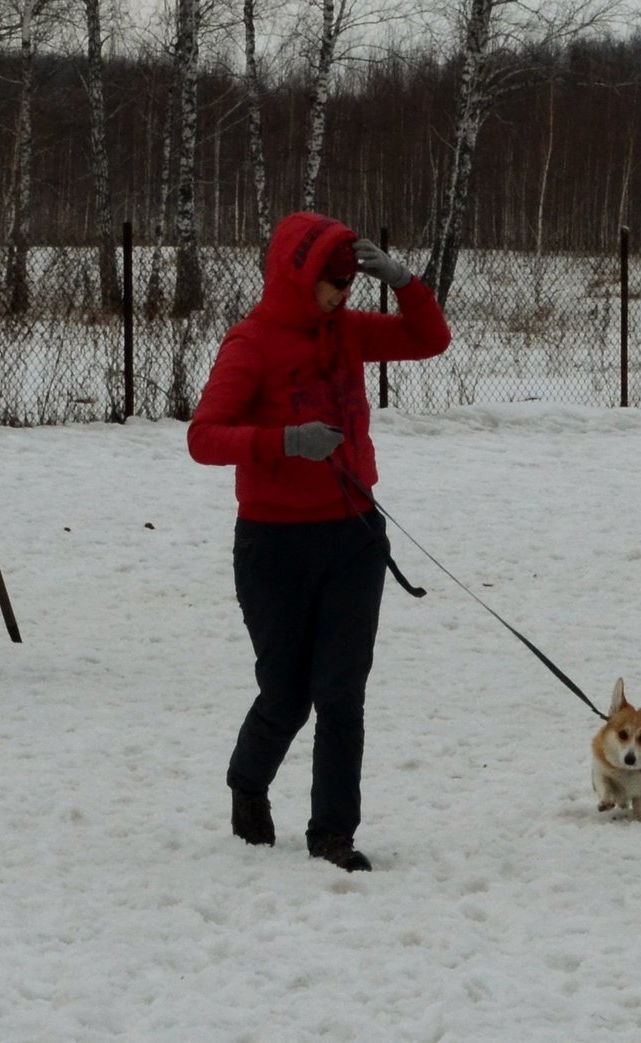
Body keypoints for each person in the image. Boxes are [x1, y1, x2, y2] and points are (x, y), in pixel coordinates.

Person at [187, 213, 452, 871]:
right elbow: (203, 436)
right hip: (274, 546)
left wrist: (403, 281)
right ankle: (247, 780)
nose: (342, 294)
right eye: (331, 283)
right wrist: (283, 441)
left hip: (355, 534)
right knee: (286, 693)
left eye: (348, 281)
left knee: (341, 692)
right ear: (296, 278)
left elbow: (431, 340)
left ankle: (333, 833)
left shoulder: (348, 332)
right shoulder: (251, 344)